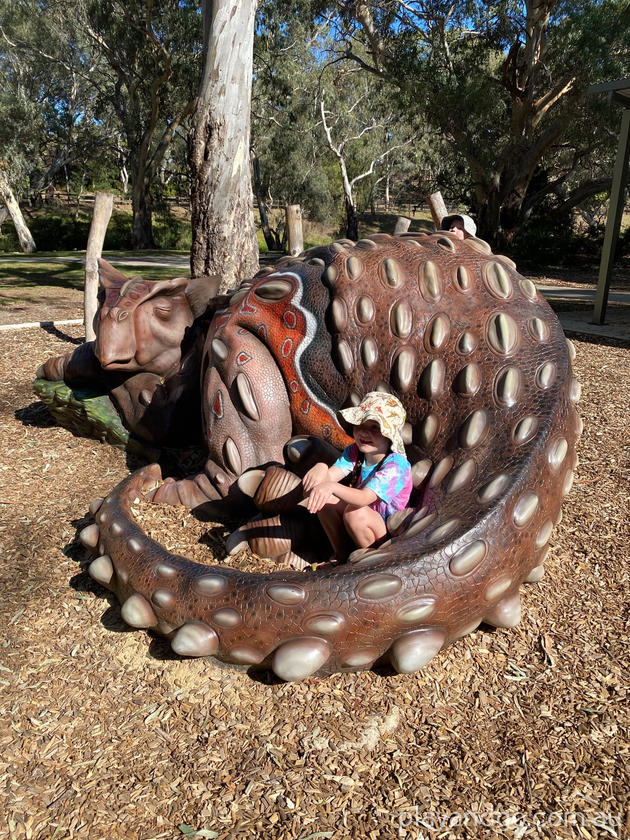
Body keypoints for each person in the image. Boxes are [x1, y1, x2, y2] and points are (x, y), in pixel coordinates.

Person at [303, 392, 412, 562]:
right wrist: (321, 467)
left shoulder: (396, 466)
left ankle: (369, 560)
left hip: (385, 531)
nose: (364, 432)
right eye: (360, 423)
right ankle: (341, 555)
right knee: (322, 497)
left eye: (375, 427)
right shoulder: (355, 452)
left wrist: (331, 486)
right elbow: (329, 477)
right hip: (357, 516)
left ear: (389, 435)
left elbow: (364, 498)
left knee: (355, 513)